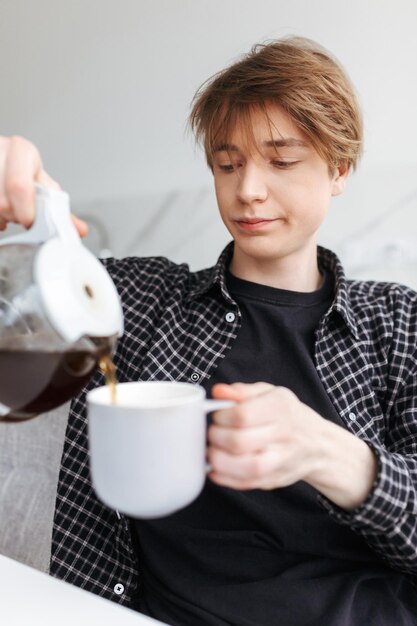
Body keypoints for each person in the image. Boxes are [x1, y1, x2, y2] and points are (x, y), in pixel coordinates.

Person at [1, 36, 417, 625]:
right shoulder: (138, 301)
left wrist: (331, 454)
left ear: (340, 169)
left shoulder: (398, 324)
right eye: (227, 163)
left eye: (281, 160)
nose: (247, 189)